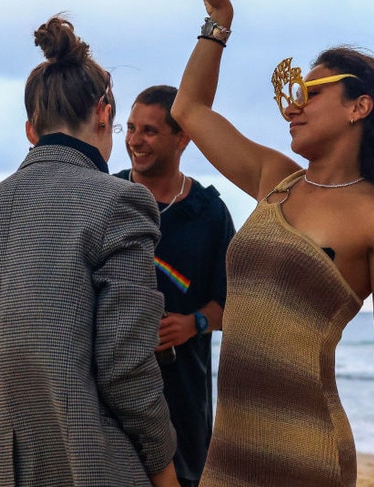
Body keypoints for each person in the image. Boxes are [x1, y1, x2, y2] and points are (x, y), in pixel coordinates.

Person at [171, 1, 374, 486]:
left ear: (359, 106)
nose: (292, 105)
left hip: (309, 453)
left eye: (308, 92)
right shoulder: (276, 180)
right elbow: (188, 110)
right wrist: (219, 23)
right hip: (225, 453)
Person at [0, 15, 178, 487]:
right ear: (104, 114)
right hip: (85, 466)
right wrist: (164, 469)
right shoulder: (120, 201)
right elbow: (127, 365)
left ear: (30, 130)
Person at [114, 85, 235, 487]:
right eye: (130, 128)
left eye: (149, 131)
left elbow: (232, 304)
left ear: (182, 137)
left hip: (183, 400)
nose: (134, 140)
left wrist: (192, 324)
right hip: (109, 392)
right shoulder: (107, 197)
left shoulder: (210, 213)